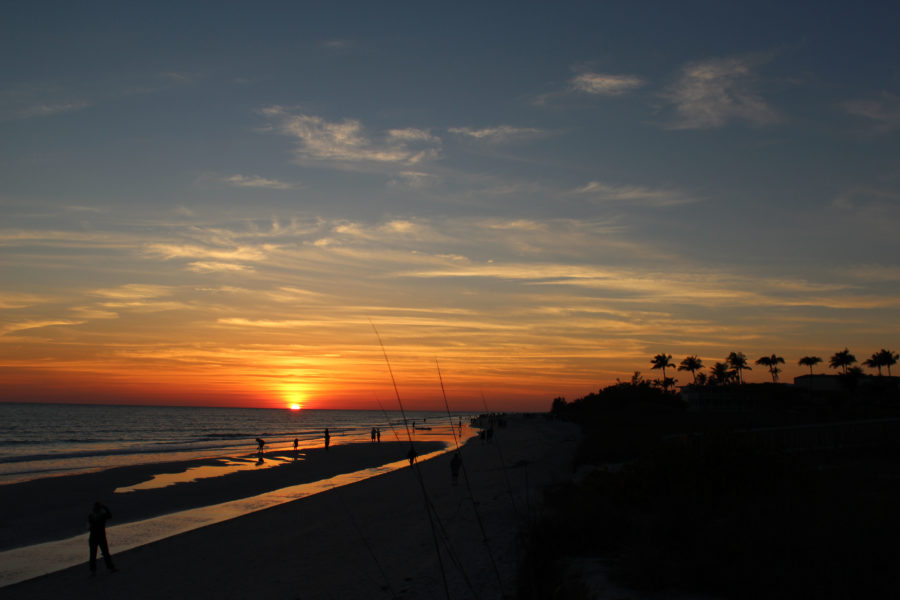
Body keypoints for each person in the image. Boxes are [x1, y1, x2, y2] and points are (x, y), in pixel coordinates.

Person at [88, 501, 117, 575]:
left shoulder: (91, 516)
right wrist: (105, 507)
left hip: (93, 537)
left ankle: (93, 571)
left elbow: (89, 526)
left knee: (93, 554)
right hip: (100, 537)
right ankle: (110, 568)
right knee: (105, 553)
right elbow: (110, 515)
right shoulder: (101, 515)